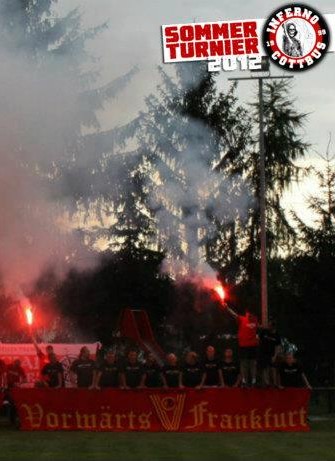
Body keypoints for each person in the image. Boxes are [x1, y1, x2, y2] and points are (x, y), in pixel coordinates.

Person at [225, 305, 259, 387]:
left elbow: (258, 328)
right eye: (248, 313)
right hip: (243, 345)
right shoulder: (242, 319)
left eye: (251, 314)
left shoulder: (255, 320)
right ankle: (244, 381)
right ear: (247, 313)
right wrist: (227, 308)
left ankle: (253, 381)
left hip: (252, 346)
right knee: (244, 363)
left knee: (252, 363)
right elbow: (234, 315)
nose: (249, 315)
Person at [259, 320, 281, 387]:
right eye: (268, 325)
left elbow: (278, 346)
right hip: (264, 353)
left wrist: (275, 355)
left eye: (270, 326)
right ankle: (266, 383)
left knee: (273, 368)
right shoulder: (264, 331)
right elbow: (259, 339)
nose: (269, 327)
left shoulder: (277, 334)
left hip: (272, 354)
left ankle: (274, 383)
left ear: (273, 327)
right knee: (265, 368)